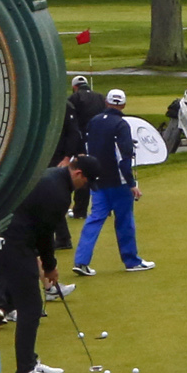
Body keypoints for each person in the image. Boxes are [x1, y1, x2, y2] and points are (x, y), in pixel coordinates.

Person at [0, 153, 82, 373]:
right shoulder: (59, 193)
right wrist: (50, 266)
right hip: (15, 245)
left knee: (30, 305)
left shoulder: (54, 176)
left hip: (12, 241)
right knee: (30, 308)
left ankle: (30, 362)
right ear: (79, 174)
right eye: (88, 182)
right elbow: (45, 235)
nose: (86, 187)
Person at [75, 88, 153, 274]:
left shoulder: (93, 122)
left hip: (97, 180)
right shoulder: (121, 124)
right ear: (123, 105)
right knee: (124, 221)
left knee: (94, 219)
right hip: (118, 182)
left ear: (107, 103)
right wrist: (132, 184)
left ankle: (81, 261)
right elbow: (124, 158)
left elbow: (87, 149)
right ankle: (132, 261)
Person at [59, 74, 106, 220]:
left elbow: (71, 124)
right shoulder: (99, 97)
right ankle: (102, 207)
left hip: (79, 142)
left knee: (80, 173)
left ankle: (77, 210)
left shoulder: (73, 98)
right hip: (98, 140)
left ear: (74, 87)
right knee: (94, 173)